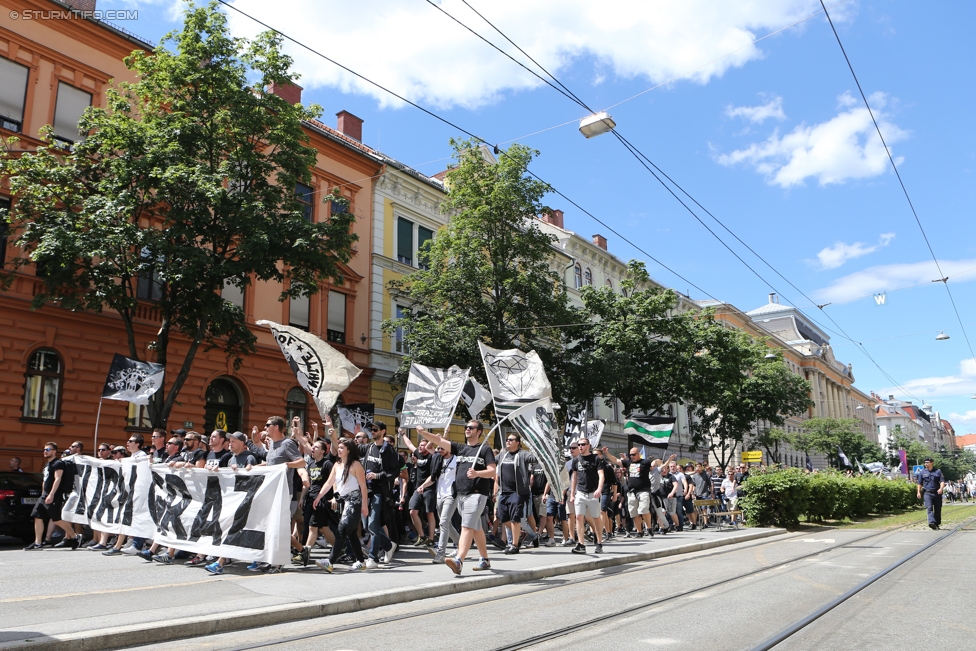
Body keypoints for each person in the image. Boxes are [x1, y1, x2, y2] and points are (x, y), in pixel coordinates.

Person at [417, 421, 496, 575]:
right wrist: (423, 433)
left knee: (466, 527)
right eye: (466, 427)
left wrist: (477, 473)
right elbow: (439, 441)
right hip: (461, 494)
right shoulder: (461, 449)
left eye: (471, 427)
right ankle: (485, 560)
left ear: (479, 432)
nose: (467, 429)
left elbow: (492, 471)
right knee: (476, 528)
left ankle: (459, 560)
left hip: (477, 493)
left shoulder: (484, 449)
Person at [309, 437, 370, 573]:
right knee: (351, 532)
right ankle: (361, 561)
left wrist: (364, 505)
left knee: (342, 529)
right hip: (343, 502)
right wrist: (319, 497)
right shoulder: (336, 465)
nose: (339, 450)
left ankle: (330, 561)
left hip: (354, 502)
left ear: (349, 450)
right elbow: (329, 483)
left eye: (342, 448)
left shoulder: (356, 465)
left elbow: (363, 486)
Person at [24, 443, 80, 550]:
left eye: (48, 449)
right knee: (38, 516)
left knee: (56, 519)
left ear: (54, 451)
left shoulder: (58, 463)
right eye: (44, 449)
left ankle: (75, 536)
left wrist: (51, 494)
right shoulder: (47, 465)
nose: (45, 451)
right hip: (44, 496)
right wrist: (43, 494)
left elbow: (57, 479)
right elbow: (45, 481)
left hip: (54, 495)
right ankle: (38, 542)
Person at [494, 432, 537, 554]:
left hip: (517, 492)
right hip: (503, 492)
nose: (508, 441)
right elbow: (491, 460)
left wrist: (534, 445)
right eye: (507, 439)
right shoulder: (502, 455)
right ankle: (519, 532)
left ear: (517, 443)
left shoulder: (523, 454)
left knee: (514, 518)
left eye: (511, 440)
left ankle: (514, 545)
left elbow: (534, 458)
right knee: (501, 517)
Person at [401, 429, 437, 547]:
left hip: (429, 488)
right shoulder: (418, 454)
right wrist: (402, 434)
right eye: (420, 445)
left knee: (429, 514)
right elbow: (409, 444)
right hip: (418, 488)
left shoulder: (433, 456)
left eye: (423, 445)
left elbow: (433, 475)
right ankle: (422, 536)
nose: (420, 447)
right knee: (412, 511)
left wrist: (433, 437)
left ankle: (431, 539)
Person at [569, 438, 604, 554]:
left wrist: (599, 489)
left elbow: (601, 475)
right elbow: (574, 477)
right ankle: (581, 544)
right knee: (579, 517)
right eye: (579, 445)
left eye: (583, 444)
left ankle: (599, 542)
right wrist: (572, 494)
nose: (580, 446)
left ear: (588, 445)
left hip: (593, 493)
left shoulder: (596, 459)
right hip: (580, 492)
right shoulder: (576, 460)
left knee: (596, 518)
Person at [916, 457, 946, 530]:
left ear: (932, 463)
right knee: (929, 508)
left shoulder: (938, 471)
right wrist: (918, 492)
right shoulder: (922, 472)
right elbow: (919, 483)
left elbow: (942, 481)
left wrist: (941, 488)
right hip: (927, 493)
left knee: (937, 509)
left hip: (937, 493)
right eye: (925, 462)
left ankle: (936, 523)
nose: (926, 464)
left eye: (928, 462)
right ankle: (931, 522)